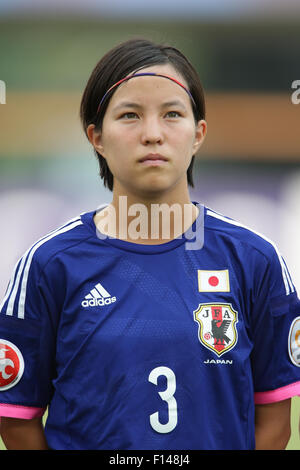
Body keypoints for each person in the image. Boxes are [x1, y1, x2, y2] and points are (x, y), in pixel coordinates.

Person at [0, 38, 299, 451]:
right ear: (97, 137)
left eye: (172, 114)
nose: (152, 134)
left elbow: (274, 422)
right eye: (130, 115)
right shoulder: (49, 264)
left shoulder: (255, 260)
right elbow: (17, 421)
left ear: (198, 134)